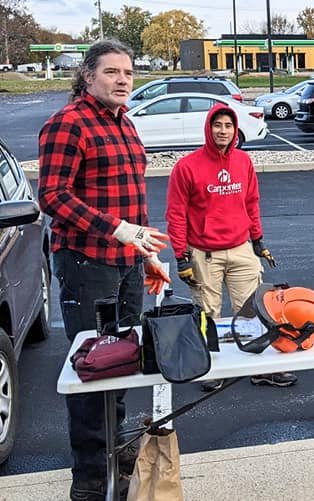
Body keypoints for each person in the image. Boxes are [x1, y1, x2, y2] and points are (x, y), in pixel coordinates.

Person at [38, 39, 172, 501]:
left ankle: (116, 450)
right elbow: (52, 196)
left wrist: (145, 252)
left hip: (127, 265)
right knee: (90, 368)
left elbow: (132, 198)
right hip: (86, 264)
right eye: (112, 72)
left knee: (123, 362)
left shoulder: (126, 125)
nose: (122, 80)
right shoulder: (67, 124)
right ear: (88, 76)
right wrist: (116, 230)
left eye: (129, 73)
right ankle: (91, 477)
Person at [166, 104, 295, 391]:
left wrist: (258, 241)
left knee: (253, 311)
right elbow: (176, 214)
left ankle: (259, 368)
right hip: (204, 252)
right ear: (208, 128)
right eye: (217, 125)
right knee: (207, 314)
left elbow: (251, 202)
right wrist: (181, 257)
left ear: (235, 130)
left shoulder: (243, 162)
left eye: (227, 126)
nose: (222, 131)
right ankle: (211, 368)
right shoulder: (187, 167)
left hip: (240, 248)